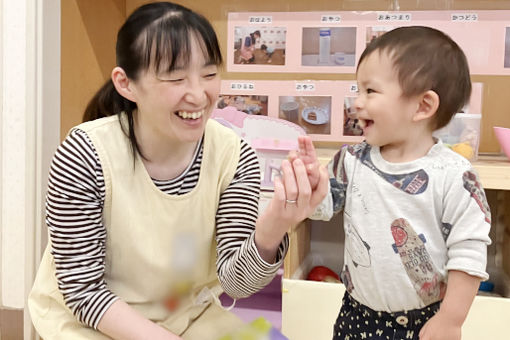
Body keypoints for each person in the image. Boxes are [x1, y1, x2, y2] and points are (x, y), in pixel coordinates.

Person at [28, 2, 328, 340]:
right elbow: (83, 291)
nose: (199, 95)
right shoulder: (85, 153)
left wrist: (275, 225)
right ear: (126, 84)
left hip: (188, 316)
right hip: (92, 321)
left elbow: (236, 283)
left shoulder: (233, 154)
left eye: (210, 74)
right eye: (175, 77)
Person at [294, 26, 492, 340]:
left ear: (423, 106)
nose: (357, 102)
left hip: (423, 320)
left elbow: (469, 252)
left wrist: (451, 320)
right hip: (356, 313)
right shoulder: (353, 159)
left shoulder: (454, 174)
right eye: (358, 90)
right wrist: (310, 188)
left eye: (370, 91)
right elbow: (321, 209)